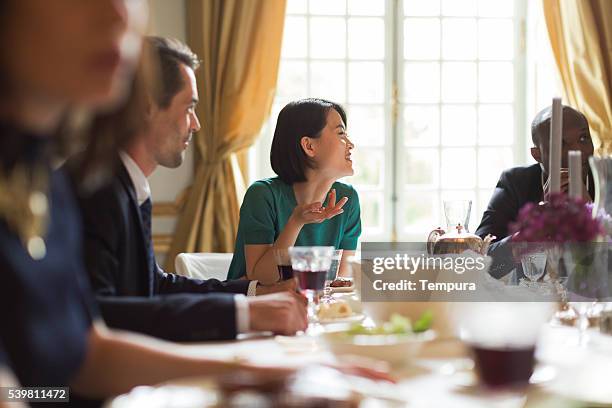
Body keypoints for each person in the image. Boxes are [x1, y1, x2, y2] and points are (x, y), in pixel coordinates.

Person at [0, 2, 377, 405]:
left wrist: (252, 319)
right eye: (190, 108)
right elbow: (65, 369)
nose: (121, 13)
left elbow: (87, 347)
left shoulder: (41, 176)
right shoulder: (87, 187)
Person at [69, 36, 305, 341]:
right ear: (148, 107)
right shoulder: (96, 189)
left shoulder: (127, 184)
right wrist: (247, 315)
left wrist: (259, 292)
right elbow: (98, 315)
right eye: (189, 107)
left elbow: (156, 285)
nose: (195, 124)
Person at [227, 98, 361, 284]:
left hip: (314, 309)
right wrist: (296, 222)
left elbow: (339, 280)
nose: (350, 144)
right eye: (341, 133)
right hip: (257, 307)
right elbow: (261, 278)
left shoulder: (348, 200)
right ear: (309, 146)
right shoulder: (263, 195)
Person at [475, 105, 595, 278]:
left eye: (583, 138)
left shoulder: (606, 177)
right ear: (537, 154)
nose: (578, 151)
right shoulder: (516, 182)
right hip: (534, 301)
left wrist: (591, 214)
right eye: (561, 143)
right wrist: (532, 231)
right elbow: (480, 261)